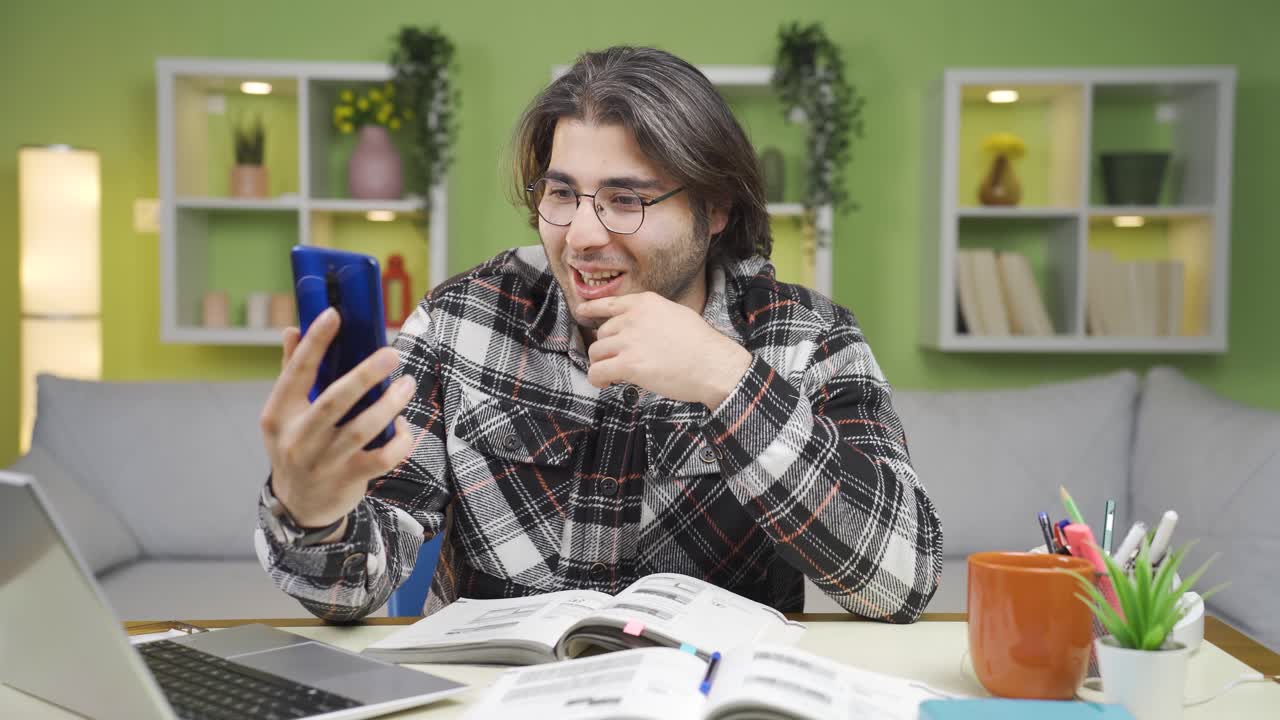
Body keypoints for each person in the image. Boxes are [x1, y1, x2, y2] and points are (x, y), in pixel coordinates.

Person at [255, 46, 942, 624]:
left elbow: (902, 585)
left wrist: (728, 381)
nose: (582, 236)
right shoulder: (461, 320)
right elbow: (353, 590)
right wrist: (314, 513)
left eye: (626, 199)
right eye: (561, 195)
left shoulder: (807, 338)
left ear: (714, 210)